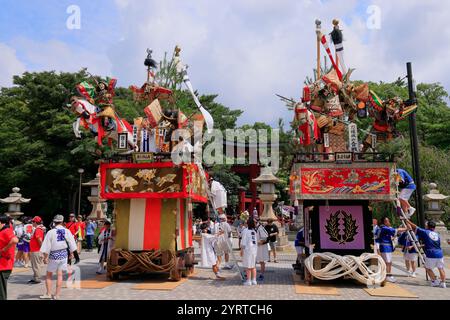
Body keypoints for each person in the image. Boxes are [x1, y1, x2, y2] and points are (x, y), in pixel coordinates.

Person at [39, 215, 77, 300]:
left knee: (49, 275)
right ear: (62, 222)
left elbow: (47, 246)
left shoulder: (51, 232)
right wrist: (71, 253)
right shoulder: (67, 231)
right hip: (63, 255)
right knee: (60, 275)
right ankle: (57, 295)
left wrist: (45, 257)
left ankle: (48, 293)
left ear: (54, 222)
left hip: (54, 255)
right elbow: (72, 243)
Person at [406, 220, 446, 288]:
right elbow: (431, 244)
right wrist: (421, 246)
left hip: (431, 254)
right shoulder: (437, 235)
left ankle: (435, 281)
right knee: (441, 268)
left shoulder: (425, 232)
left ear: (427, 226)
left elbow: (415, 227)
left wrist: (407, 221)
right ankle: (443, 283)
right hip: (439, 253)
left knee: (427, 268)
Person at [377, 216, 406, 283]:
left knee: (389, 262)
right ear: (384, 222)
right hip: (385, 247)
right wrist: (406, 228)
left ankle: (388, 275)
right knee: (387, 262)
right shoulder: (384, 228)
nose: (389, 222)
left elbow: (394, 231)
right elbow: (395, 230)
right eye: (387, 221)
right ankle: (387, 276)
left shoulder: (384, 228)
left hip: (387, 247)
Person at [0, 215, 19, 300]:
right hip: (3, 264)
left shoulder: (6, 231)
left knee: (1, 291)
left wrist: (4, 249)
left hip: (4, 265)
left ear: (1, 223)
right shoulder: (4, 230)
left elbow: (15, 240)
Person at [241, 218, 258, 285]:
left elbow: (243, 241)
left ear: (247, 223)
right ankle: (254, 280)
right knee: (253, 266)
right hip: (254, 250)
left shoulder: (245, 230)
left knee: (248, 266)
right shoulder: (254, 231)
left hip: (248, 250)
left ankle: (248, 281)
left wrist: (241, 250)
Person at [28, 216, 46, 284]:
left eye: (33, 221)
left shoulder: (38, 230)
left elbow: (39, 240)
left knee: (36, 266)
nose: (32, 223)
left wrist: (42, 249)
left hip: (36, 250)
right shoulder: (37, 229)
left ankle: (37, 279)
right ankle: (35, 277)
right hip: (34, 250)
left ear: (35, 222)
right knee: (35, 265)